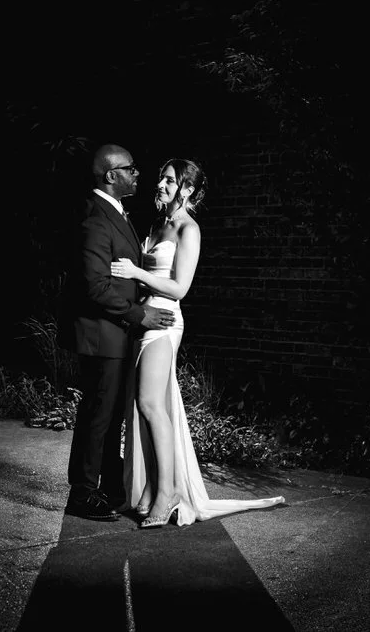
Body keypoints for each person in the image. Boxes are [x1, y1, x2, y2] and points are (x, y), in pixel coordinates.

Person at [111, 159, 285, 528]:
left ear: (187, 189)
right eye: (161, 178)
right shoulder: (159, 223)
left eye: (170, 180)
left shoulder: (189, 229)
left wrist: (135, 271)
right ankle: (152, 489)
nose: (161, 184)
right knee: (144, 408)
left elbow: (180, 288)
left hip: (166, 322)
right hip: (144, 319)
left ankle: (169, 492)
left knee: (149, 404)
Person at [59, 144, 176, 522]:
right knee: (98, 414)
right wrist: (140, 314)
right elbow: (95, 287)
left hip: (117, 333)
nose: (137, 175)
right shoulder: (95, 218)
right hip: (102, 334)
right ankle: (82, 493)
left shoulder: (117, 214)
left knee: (109, 416)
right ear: (111, 176)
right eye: (131, 169)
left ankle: (110, 487)